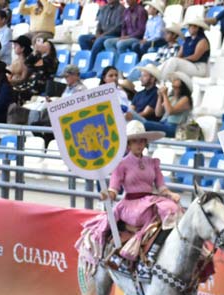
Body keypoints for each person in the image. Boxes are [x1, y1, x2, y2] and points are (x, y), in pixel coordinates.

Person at [76, 120, 182, 268]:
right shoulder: (121, 164)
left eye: (141, 141)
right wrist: (108, 195)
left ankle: (160, 249)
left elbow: (161, 187)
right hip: (131, 204)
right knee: (147, 214)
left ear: (145, 143)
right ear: (128, 145)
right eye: (135, 141)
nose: (139, 144)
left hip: (151, 199)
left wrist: (170, 194)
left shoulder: (153, 162)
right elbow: (114, 189)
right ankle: (141, 251)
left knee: (173, 209)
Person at [143, 71, 191, 137]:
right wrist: (160, 97)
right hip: (163, 123)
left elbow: (170, 111)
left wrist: (165, 95)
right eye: (173, 87)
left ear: (183, 88)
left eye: (177, 88)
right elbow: (158, 113)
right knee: (139, 123)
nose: (174, 90)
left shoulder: (185, 99)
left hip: (174, 127)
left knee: (145, 124)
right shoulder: (171, 98)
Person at [77, 0, 123, 68]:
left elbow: (118, 28)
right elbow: (99, 24)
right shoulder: (103, 8)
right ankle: (86, 64)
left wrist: (102, 35)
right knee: (82, 39)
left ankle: (91, 67)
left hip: (113, 35)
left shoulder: (122, 9)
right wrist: (97, 34)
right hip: (101, 35)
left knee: (99, 40)